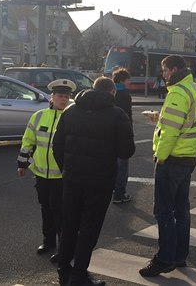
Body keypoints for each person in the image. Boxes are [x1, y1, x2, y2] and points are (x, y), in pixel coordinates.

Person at [53, 77, 135, 286]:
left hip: (72, 178)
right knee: (89, 228)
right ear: (112, 93)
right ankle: (80, 275)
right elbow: (127, 151)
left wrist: (67, 167)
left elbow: (57, 145)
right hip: (100, 181)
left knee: (69, 224)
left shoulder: (70, 111)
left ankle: (64, 269)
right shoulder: (117, 115)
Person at [139, 55, 196, 277]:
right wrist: (159, 118)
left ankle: (165, 259)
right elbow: (185, 121)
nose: (164, 74)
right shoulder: (193, 88)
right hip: (188, 157)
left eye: (165, 70)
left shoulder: (177, 92)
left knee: (164, 211)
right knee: (181, 209)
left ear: (174, 69)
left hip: (173, 159)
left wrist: (161, 156)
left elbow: (170, 131)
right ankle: (179, 255)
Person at [16, 79, 76, 264]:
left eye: (66, 96)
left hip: (61, 175)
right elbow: (28, 141)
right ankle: (48, 242)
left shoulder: (72, 117)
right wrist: (22, 164)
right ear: (52, 97)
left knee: (60, 211)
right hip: (41, 173)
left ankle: (63, 248)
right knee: (46, 208)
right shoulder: (39, 116)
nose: (63, 99)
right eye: (60, 96)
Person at [112, 68, 133, 204]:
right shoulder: (125, 95)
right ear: (122, 81)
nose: (130, 83)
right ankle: (120, 194)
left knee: (112, 164)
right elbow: (127, 116)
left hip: (109, 134)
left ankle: (113, 189)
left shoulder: (111, 92)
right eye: (128, 80)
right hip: (121, 135)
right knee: (122, 165)